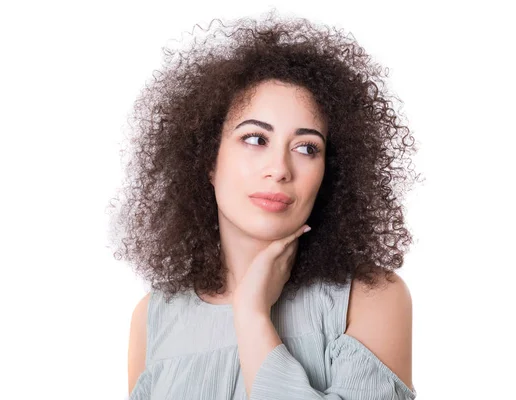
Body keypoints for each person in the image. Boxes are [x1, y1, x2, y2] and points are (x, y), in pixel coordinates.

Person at [109, 8, 421, 400]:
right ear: (208, 160)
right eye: (256, 139)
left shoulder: (369, 298)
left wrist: (253, 316)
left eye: (307, 147)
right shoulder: (153, 320)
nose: (279, 169)